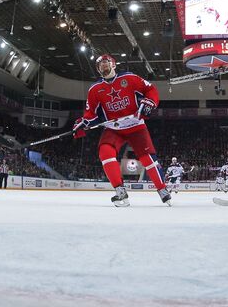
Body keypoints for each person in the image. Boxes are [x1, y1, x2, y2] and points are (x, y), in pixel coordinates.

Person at [73, 54, 171, 207]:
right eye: (100, 65)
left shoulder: (129, 78)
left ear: (113, 64)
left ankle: (162, 190)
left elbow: (150, 89)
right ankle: (120, 191)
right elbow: (90, 113)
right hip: (114, 128)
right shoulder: (95, 90)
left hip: (135, 124)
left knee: (147, 158)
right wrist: (83, 122)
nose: (103, 66)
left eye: (105, 63)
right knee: (104, 152)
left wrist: (150, 102)